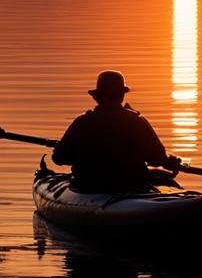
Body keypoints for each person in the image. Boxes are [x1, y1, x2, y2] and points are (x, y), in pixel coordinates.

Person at [52, 70, 180, 191]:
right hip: (131, 185)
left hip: (89, 186)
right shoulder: (137, 121)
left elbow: (59, 158)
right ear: (122, 95)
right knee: (161, 176)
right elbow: (157, 159)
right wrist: (170, 162)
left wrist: (73, 152)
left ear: (97, 97)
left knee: (157, 174)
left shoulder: (83, 122)